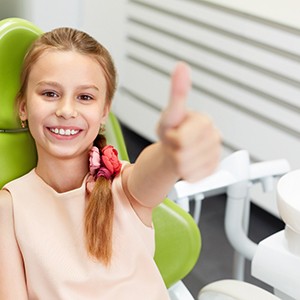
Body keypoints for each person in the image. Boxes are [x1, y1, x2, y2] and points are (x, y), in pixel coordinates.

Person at [0, 27, 221, 299]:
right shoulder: (9, 207)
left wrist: (172, 152)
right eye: (49, 93)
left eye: (85, 97)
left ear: (104, 112)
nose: (66, 110)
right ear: (23, 107)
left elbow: (154, 171)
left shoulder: (123, 185)